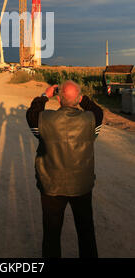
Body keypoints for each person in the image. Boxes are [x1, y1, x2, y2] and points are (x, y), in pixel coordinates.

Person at [26, 80, 103, 258]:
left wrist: (45, 96)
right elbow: (98, 111)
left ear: (59, 100)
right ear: (79, 99)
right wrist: (82, 99)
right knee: (86, 232)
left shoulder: (43, 120)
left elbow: (32, 114)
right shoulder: (91, 120)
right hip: (81, 186)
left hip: (51, 187)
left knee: (51, 235)